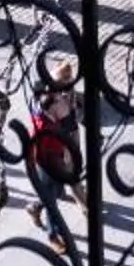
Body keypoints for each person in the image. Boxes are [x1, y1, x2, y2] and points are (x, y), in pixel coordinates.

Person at [23, 69, 84, 254]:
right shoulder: (51, 106)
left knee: (56, 192)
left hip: (51, 153)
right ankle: (53, 235)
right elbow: (71, 125)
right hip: (46, 156)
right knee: (52, 198)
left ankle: (35, 207)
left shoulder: (40, 103)